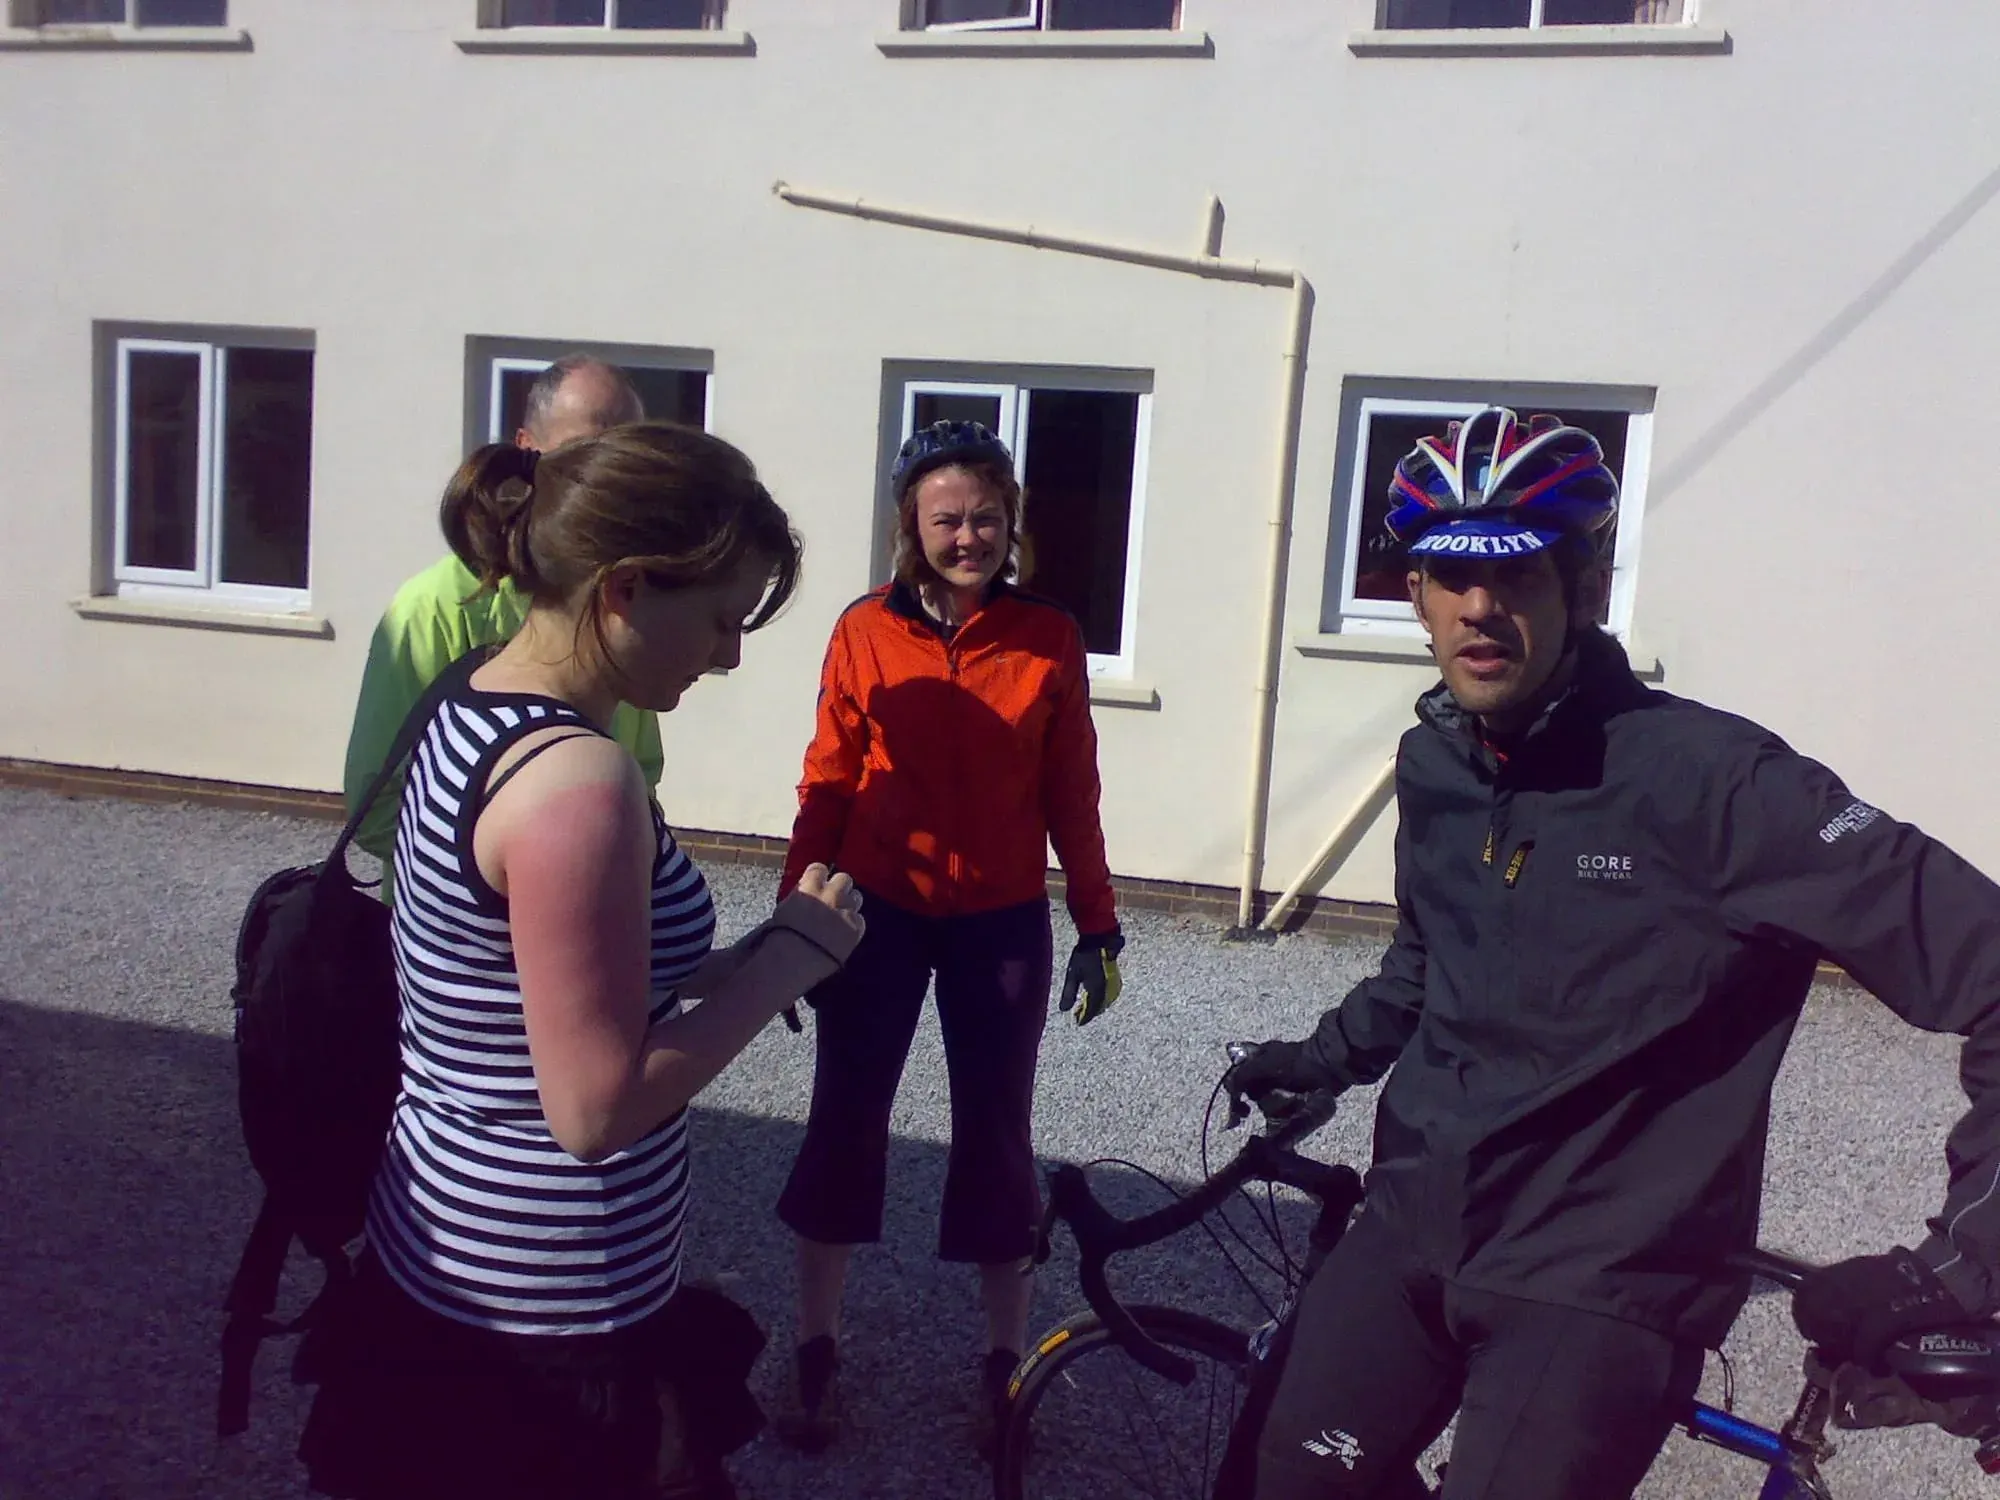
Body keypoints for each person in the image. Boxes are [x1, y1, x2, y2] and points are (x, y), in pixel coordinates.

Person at [1224, 406, 2000, 1500]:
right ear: (1415, 595)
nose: (1479, 607)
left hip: (1592, 1282)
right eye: (1448, 574)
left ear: (1584, 591)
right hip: (1411, 1229)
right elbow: (1423, 960)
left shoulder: (1718, 785)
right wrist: (1317, 1059)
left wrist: (1964, 1262)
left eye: (1519, 576)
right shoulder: (1436, 763)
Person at [297, 422, 867, 1500]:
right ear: (622, 591)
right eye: (718, 618)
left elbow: (515, 978)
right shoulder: (579, 785)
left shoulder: (470, 697)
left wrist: (721, 962)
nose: (731, 654)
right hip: (535, 1320)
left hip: (446, 1264)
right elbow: (594, 1109)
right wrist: (784, 964)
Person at [771, 419, 1128, 1454]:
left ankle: (1000, 1366)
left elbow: (1072, 791)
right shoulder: (861, 629)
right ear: (909, 526)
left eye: (982, 517)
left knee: (996, 1137)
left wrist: (1097, 921)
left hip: (998, 921)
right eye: (944, 519)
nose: (965, 536)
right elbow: (826, 780)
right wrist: (800, 910)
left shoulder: (1048, 635)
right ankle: (813, 1355)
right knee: (843, 1121)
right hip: (876, 911)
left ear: (1009, 521)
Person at [341, 355, 664, 898]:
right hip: (465, 951)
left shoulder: (618, 595)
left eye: (630, 453)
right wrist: (521, 886)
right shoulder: (432, 606)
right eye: (592, 447)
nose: (615, 474)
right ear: (526, 448)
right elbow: (376, 802)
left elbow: (641, 771)